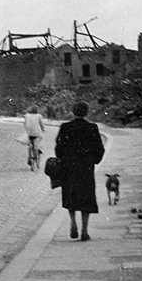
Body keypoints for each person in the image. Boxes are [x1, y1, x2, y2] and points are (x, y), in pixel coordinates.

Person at [55, 101, 105, 241]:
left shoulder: (65, 127)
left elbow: (59, 148)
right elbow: (99, 148)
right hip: (85, 167)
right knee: (86, 196)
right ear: (86, 112)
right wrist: (93, 160)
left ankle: (73, 223)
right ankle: (84, 229)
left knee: (70, 194)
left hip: (69, 167)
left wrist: (63, 159)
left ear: (73, 111)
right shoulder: (92, 127)